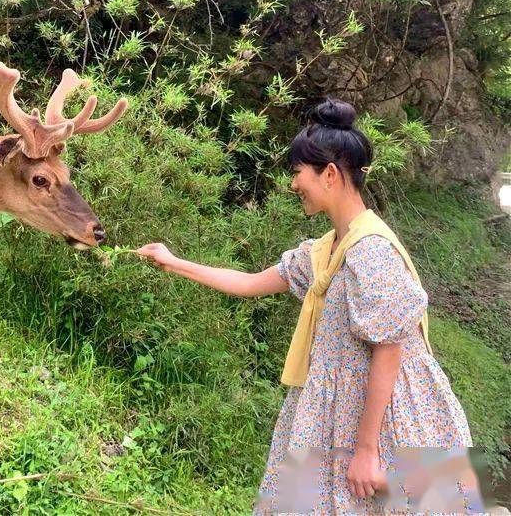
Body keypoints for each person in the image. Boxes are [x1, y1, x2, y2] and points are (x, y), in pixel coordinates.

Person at [137, 99, 482, 514]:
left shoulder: (371, 251)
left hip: (386, 415)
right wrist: (173, 262)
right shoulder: (325, 253)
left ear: (330, 174)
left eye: (297, 173)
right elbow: (249, 283)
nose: (293, 183)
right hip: (331, 409)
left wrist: (367, 450)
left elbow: (390, 348)